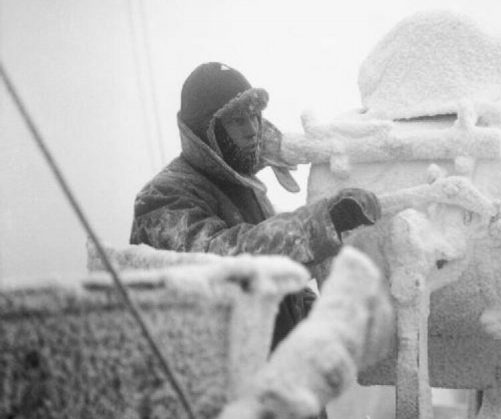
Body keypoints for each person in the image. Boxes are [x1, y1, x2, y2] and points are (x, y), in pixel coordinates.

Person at [130, 62, 380, 351]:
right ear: (205, 130)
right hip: (208, 389)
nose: (252, 130)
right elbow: (223, 262)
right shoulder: (162, 197)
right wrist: (321, 224)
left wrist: (319, 322)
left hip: (269, 377)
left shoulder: (244, 188)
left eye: (254, 116)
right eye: (237, 121)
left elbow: (281, 287)